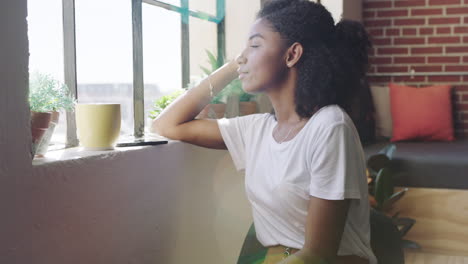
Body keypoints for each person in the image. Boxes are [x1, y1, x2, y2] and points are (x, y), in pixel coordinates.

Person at [152, 0, 377, 263]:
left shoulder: (329, 126)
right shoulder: (257, 129)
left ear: (292, 54)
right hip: (279, 257)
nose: (242, 57)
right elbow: (167, 125)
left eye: (255, 45)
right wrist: (233, 68)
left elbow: (318, 254)